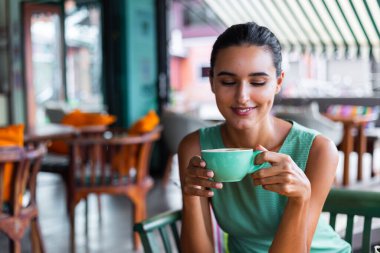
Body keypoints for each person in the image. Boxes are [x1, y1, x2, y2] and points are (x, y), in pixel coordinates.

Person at [178, 22, 351, 253]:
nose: (242, 96)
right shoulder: (195, 148)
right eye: (228, 82)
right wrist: (190, 195)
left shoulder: (317, 150)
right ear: (212, 83)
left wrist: (300, 199)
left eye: (258, 82)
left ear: (278, 82)